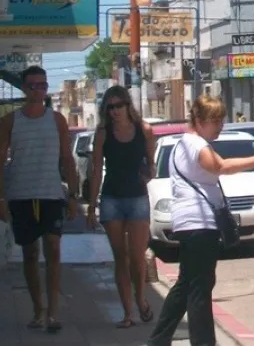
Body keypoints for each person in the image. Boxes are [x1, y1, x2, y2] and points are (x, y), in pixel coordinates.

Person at [148, 95, 254, 346]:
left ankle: (158, 339)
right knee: (199, 288)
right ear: (198, 120)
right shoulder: (196, 145)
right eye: (215, 121)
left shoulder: (185, 143)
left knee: (187, 284)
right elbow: (220, 167)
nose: (220, 126)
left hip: (190, 225)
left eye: (221, 120)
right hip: (199, 224)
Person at [0, 65, 78, 332]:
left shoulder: (57, 120)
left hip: (51, 193)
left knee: (53, 249)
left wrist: (73, 195)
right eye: (33, 85)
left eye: (42, 85)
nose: (38, 90)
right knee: (30, 254)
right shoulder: (10, 122)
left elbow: (66, 159)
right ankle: (37, 310)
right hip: (21, 194)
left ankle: (53, 312)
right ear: (24, 88)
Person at [86, 85, 157, 328]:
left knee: (137, 257)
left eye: (118, 106)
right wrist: (91, 206)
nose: (114, 111)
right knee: (120, 257)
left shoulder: (144, 130)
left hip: (137, 198)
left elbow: (152, 164)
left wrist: (148, 173)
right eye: (110, 107)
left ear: (128, 106)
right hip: (111, 199)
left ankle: (140, 298)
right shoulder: (103, 133)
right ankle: (127, 313)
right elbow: (96, 170)